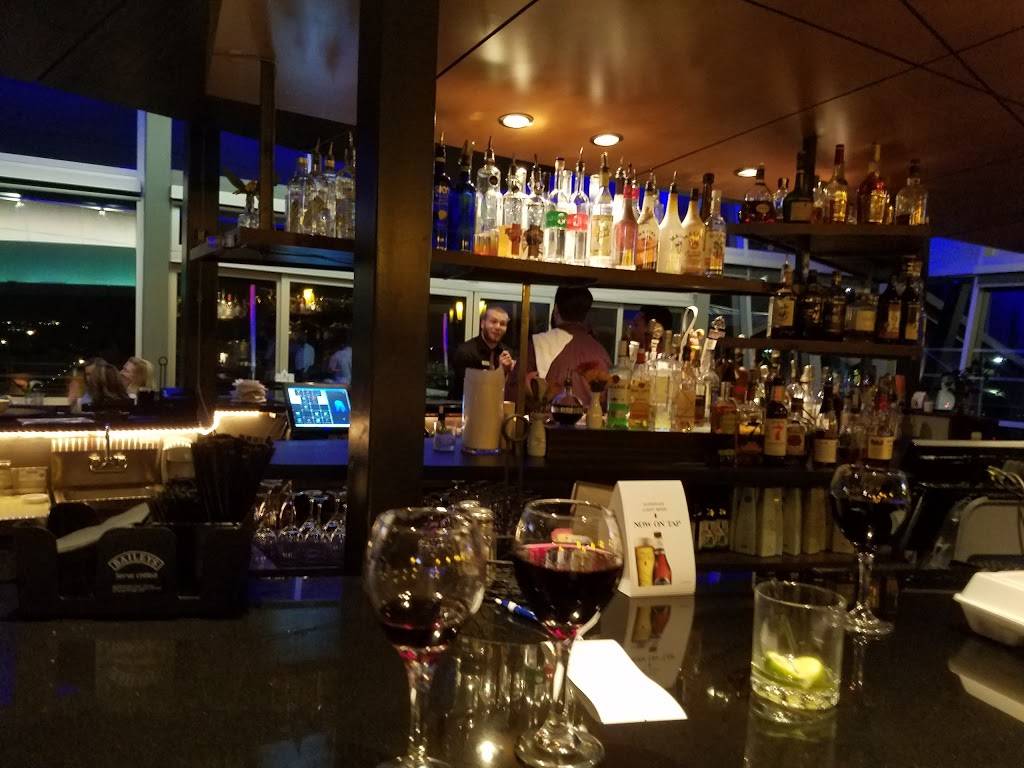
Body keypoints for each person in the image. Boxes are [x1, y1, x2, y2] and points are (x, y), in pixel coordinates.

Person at [529, 286, 611, 407]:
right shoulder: (600, 352)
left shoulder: (539, 344)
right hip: (594, 417)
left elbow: (515, 396)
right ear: (586, 315)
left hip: (550, 418)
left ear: (556, 309)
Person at [449, 305, 514, 400]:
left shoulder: (508, 353)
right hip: (465, 406)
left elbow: (511, 390)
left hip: (497, 406)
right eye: (493, 322)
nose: (498, 327)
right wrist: (500, 371)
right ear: (482, 324)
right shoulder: (466, 351)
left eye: (502, 324)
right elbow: (473, 391)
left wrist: (511, 373)